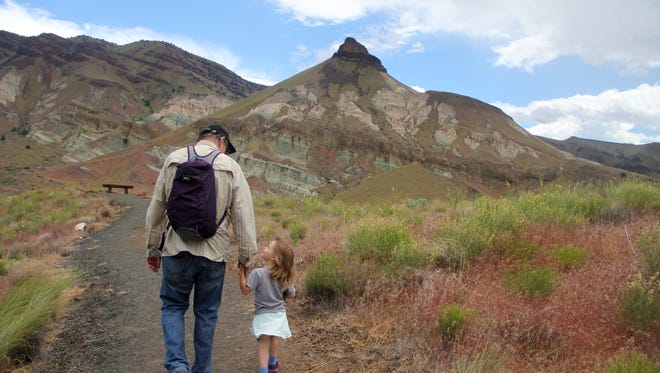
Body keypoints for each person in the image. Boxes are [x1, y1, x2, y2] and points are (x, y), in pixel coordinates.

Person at [145, 123, 257, 373]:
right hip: (213, 253)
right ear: (222, 142)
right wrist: (246, 260)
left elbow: (156, 209)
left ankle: (177, 366)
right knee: (206, 313)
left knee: (173, 306)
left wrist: (153, 250)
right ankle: (202, 369)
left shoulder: (173, 159)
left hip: (175, 248)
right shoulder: (230, 167)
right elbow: (243, 217)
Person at [239, 237, 296, 373]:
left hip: (263, 314)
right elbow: (292, 294)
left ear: (274, 258)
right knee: (273, 338)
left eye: (268, 247)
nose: (264, 248)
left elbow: (245, 290)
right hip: (278, 314)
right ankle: (272, 364)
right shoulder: (284, 276)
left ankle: (263, 369)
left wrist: (242, 273)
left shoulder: (258, 273)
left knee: (263, 342)